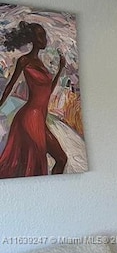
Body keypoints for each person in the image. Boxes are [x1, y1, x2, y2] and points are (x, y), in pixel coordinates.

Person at [0, 21, 67, 177]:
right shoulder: (25, 61)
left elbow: (47, 91)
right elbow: (10, 86)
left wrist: (60, 70)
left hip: (39, 119)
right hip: (29, 118)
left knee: (62, 159)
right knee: (34, 164)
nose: (44, 39)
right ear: (33, 39)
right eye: (40, 36)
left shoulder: (40, 64)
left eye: (44, 35)